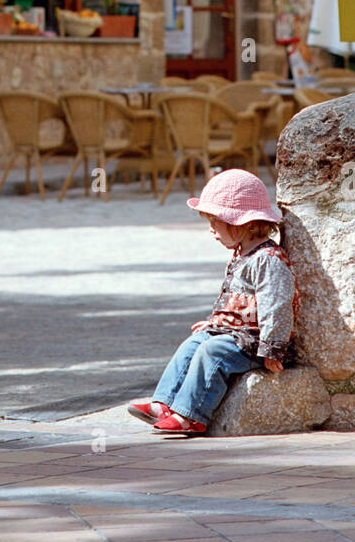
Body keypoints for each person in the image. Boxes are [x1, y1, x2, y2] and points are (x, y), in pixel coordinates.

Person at [128, 169, 299, 436]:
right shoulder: (242, 254)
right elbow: (235, 303)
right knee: (194, 343)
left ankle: (191, 415)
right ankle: (163, 404)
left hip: (256, 342)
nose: (211, 231)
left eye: (215, 223)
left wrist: (272, 348)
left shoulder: (267, 259)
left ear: (243, 224)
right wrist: (214, 323)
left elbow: (277, 305)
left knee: (213, 351)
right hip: (235, 334)